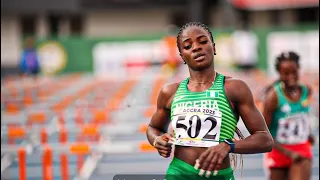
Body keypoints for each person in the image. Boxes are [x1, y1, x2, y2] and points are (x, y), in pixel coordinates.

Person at [146, 22, 274, 180]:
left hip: (219, 176)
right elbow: (153, 127)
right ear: (182, 57)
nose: (196, 48)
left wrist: (228, 146)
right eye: (187, 46)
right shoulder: (170, 92)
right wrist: (157, 139)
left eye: (203, 41)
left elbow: (265, 139)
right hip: (179, 173)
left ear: (213, 47)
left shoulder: (234, 88)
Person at [262, 51, 315, 180]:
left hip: (301, 149)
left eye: (294, 72)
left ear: (299, 70)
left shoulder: (306, 90)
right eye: (286, 73)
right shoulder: (273, 97)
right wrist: (288, 153)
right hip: (278, 150)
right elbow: (263, 133)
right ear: (279, 73)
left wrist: (307, 133)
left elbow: (302, 116)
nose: (291, 76)